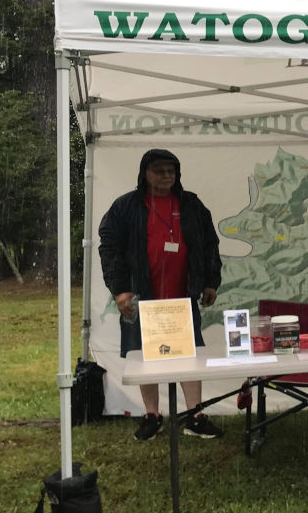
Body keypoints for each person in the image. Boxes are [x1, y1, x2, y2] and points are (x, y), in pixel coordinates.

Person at [99, 149, 224, 441]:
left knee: (190, 357)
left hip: (182, 297)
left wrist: (209, 281)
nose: (167, 176)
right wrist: (119, 290)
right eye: (159, 171)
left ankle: (195, 415)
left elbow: (209, 244)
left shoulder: (191, 204)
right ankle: (152, 416)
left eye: (171, 171)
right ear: (145, 172)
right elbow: (109, 249)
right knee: (145, 358)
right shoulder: (125, 207)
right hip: (140, 299)